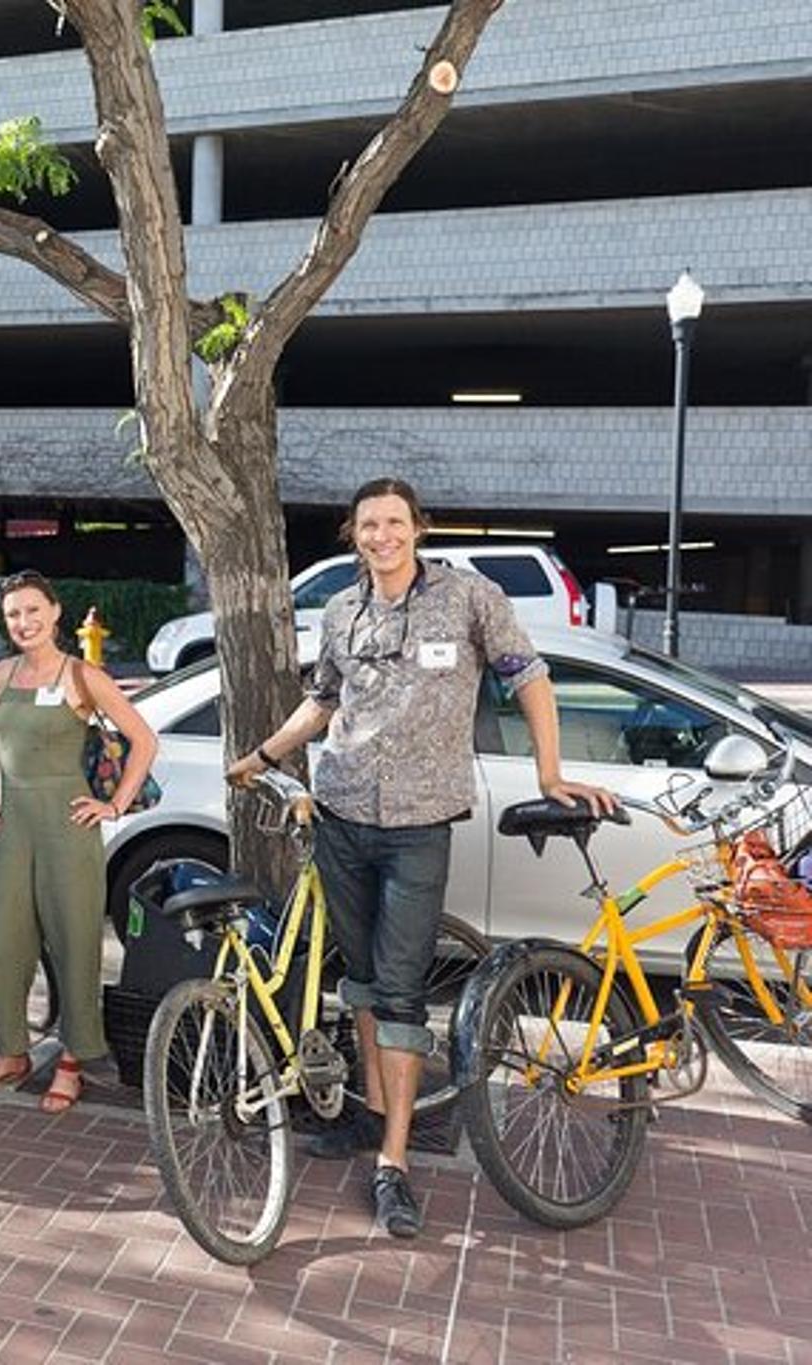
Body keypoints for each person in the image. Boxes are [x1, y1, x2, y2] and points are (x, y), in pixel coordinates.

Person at [227, 476, 614, 1239]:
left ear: (417, 528)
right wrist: (263, 752)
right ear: (354, 533)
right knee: (363, 980)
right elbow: (325, 698)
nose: (382, 535)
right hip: (340, 815)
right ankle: (373, 1119)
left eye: (394, 522)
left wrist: (550, 771)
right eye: (369, 524)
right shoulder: (342, 609)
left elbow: (527, 677)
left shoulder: (469, 598)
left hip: (418, 825)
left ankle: (393, 1166)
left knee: (402, 993)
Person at [0, 569, 157, 1115]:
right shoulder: (3, 673)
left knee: (74, 943)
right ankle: (12, 1051)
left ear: (54, 614)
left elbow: (144, 741)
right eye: (13, 615)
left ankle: (74, 1058)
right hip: (15, 826)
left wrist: (115, 804)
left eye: (32, 611)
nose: (23, 623)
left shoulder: (82, 675)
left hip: (69, 827)